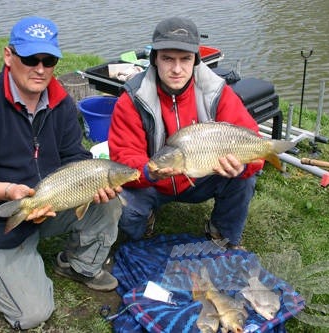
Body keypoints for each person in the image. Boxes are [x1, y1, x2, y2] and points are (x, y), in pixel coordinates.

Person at [0, 16, 122, 330]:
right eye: (30, 59)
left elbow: (74, 156)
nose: (40, 69)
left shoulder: (62, 102)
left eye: (48, 60)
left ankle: (77, 265)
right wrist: (10, 192)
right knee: (33, 315)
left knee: (110, 200)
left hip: (52, 200)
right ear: (8, 56)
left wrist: (92, 180)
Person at [108, 17, 264, 248]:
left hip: (203, 176)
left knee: (244, 180)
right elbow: (123, 155)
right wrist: (149, 173)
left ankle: (222, 232)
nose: (177, 69)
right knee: (123, 208)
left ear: (196, 60)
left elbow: (254, 144)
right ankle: (145, 219)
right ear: (154, 60)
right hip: (152, 180)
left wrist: (242, 166)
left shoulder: (217, 91)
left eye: (185, 59)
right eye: (168, 59)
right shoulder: (133, 98)